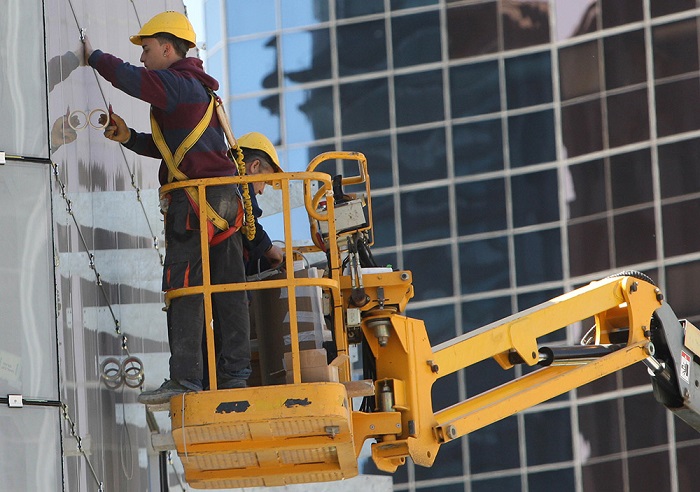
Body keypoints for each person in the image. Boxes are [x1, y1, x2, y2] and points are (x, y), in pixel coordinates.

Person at [83, 11, 281, 404]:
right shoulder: (199, 92)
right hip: (222, 201)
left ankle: (187, 379)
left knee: (184, 287)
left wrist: (94, 57)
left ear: (168, 48)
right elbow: (175, 148)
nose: (142, 57)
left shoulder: (178, 84)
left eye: (147, 49)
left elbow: (133, 79)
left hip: (195, 203)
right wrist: (130, 139)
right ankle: (235, 376)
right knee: (227, 289)